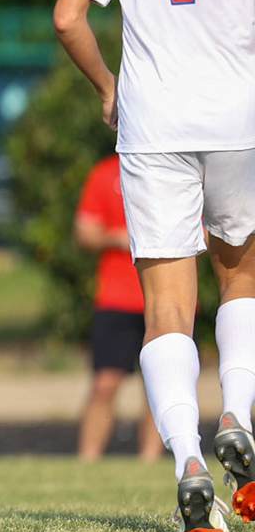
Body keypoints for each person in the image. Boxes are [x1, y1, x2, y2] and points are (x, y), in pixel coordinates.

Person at [53, 0, 255, 532]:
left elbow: (69, 17)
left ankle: (189, 467)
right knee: (242, 280)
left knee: (167, 308)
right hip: (242, 116)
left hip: (155, 120)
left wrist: (108, 86)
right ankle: (239, 416)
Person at [72, 152, 163, 462]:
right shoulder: (106, 173)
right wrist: (116, 237)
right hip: (117, 298)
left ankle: (149, 462)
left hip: (166, 298)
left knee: (160, 387)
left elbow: (205, 231)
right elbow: (84, 231)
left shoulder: (174, 169)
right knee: (105, 384)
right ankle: (88, 461)